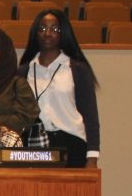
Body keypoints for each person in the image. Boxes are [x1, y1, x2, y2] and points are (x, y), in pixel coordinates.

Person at [18, 9, 100, 168]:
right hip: (35, 146)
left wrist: (92, 157)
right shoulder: (24, 71)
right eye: (42, 29)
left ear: (63, 34)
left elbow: (90, 116)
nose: (47, 33)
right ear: (35, 33)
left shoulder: (77, 69)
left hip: (72, 145)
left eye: (55, 29)